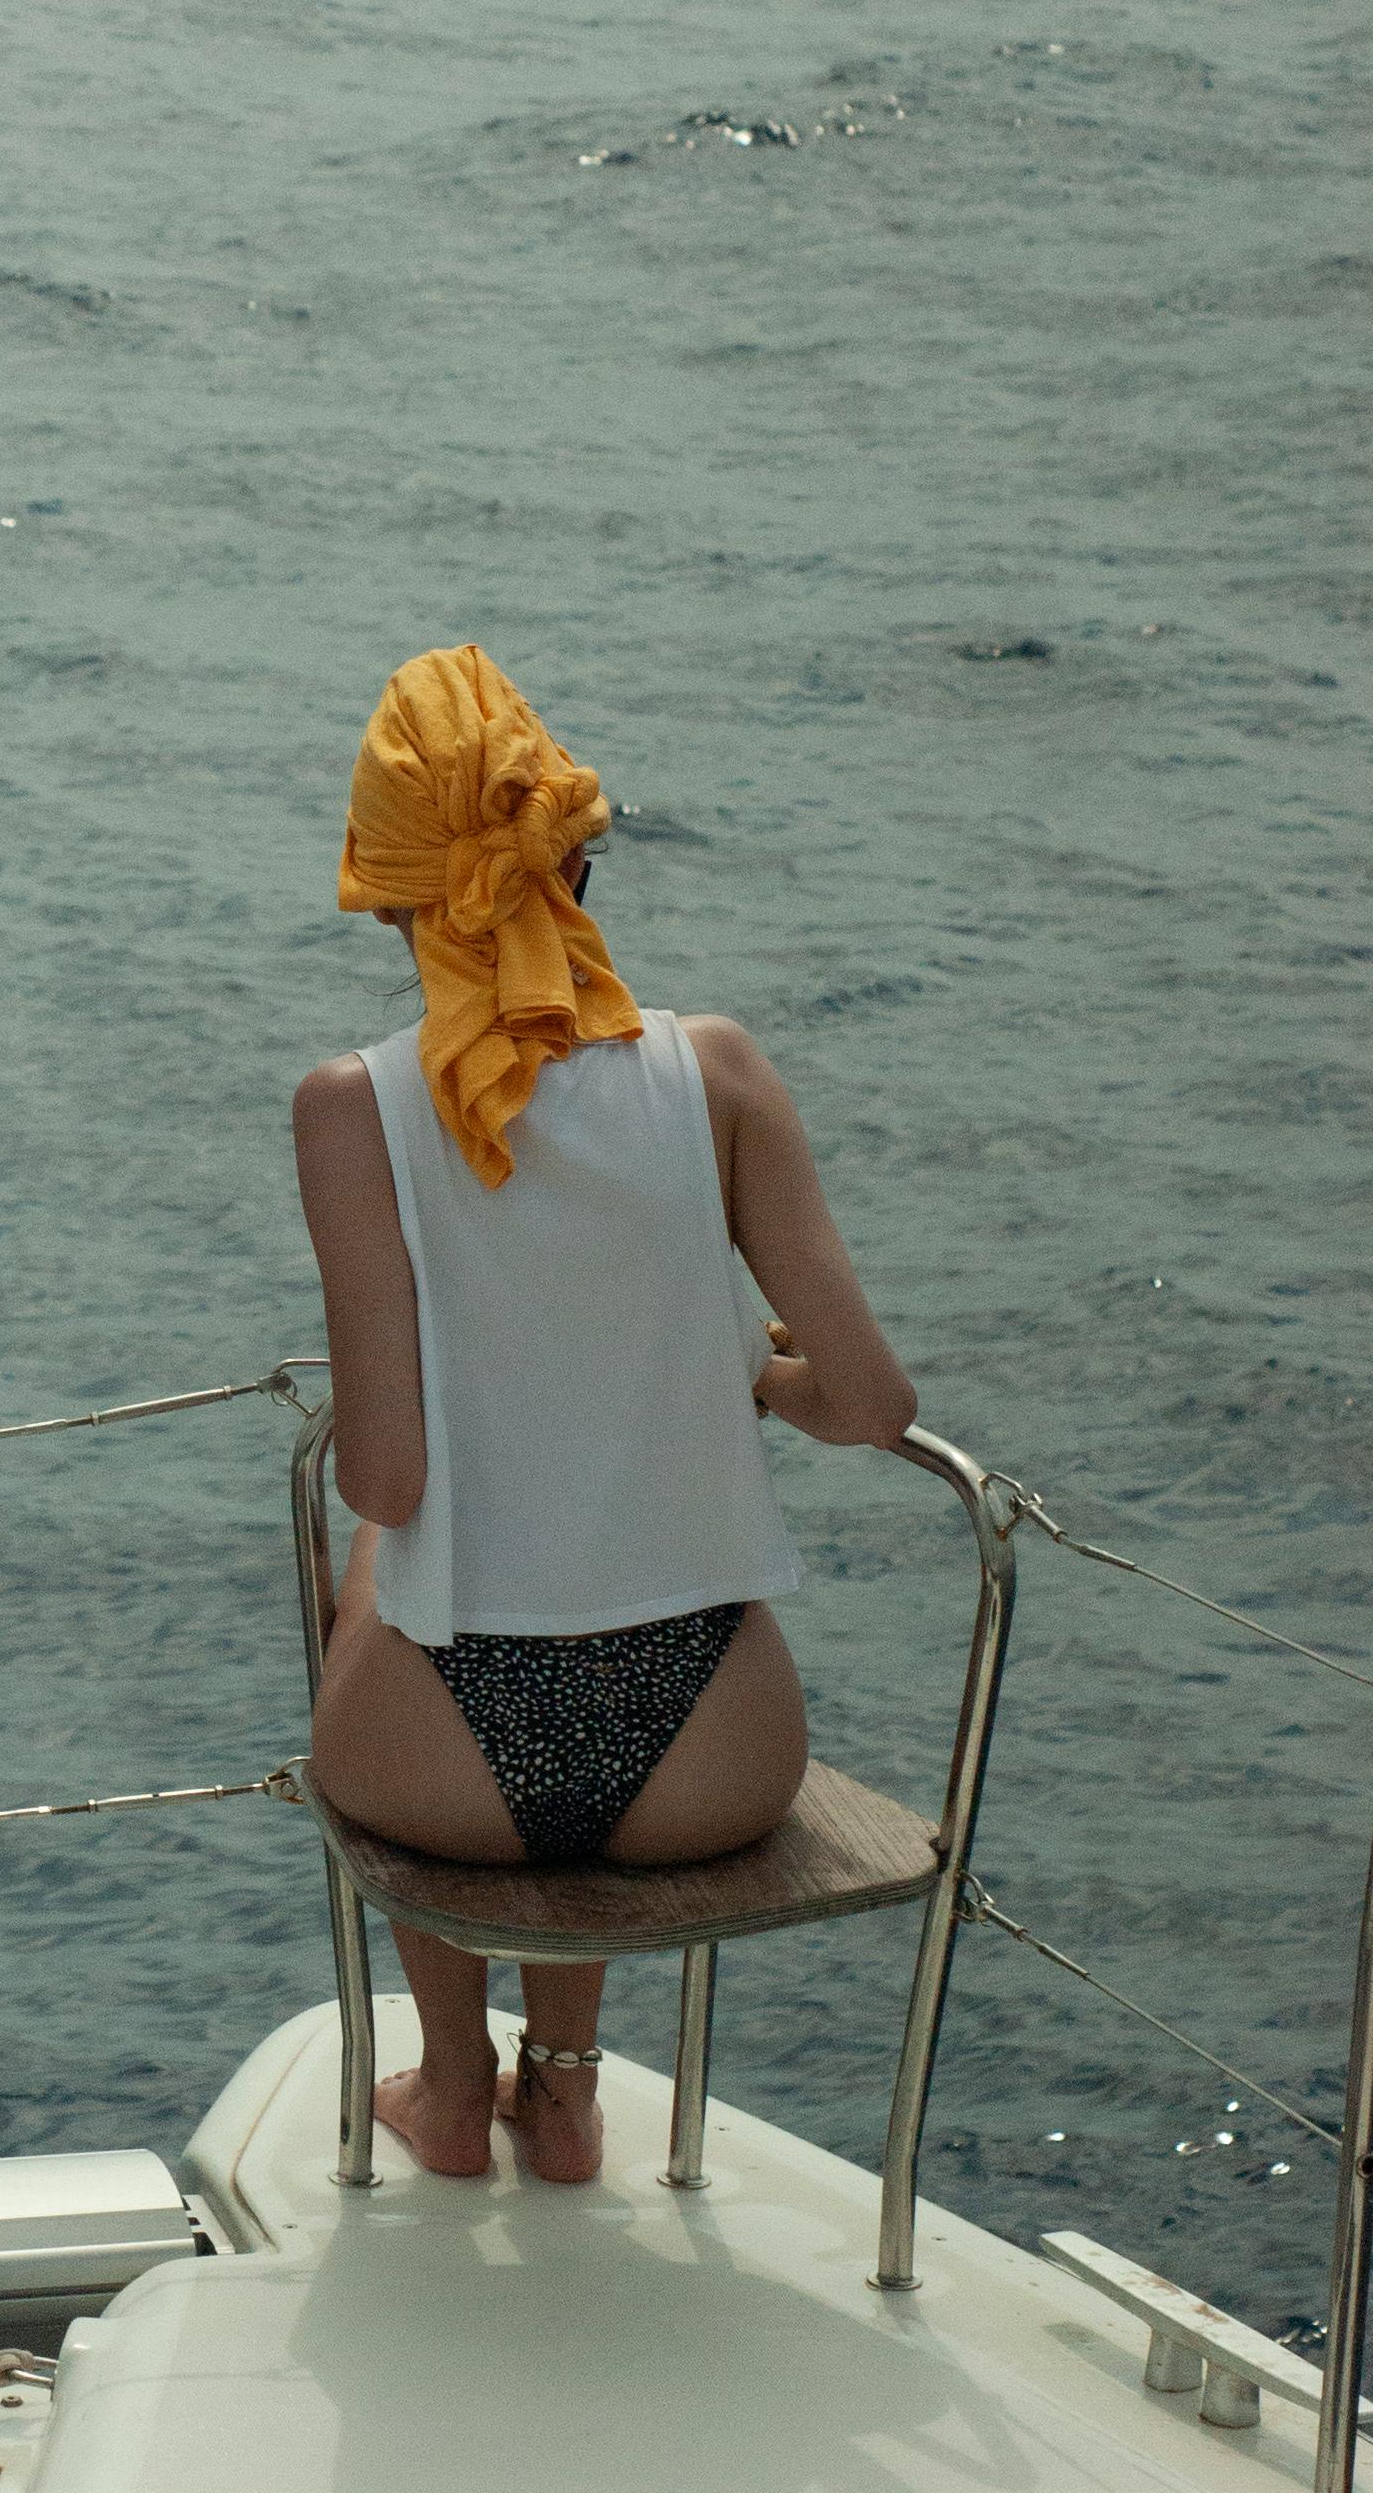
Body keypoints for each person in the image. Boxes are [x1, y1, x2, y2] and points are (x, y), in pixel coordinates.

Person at [294, 644, 917, 2187]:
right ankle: (562, 2090)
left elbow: (388, 1469)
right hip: (717, 1759)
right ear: (573, 856)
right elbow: (873, 1403)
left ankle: (451, 2085)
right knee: (599, 1570)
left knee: (382, 1563)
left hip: (436, 1762)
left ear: (389, 890)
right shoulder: (716, 1073)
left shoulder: (348, 1109)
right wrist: (757, 1383)